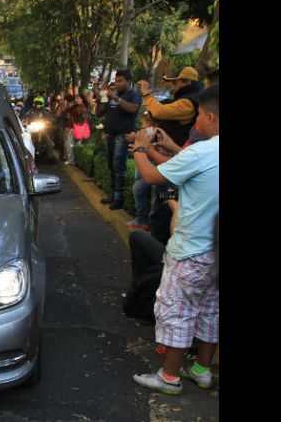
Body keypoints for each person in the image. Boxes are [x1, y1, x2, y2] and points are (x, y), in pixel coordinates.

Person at [131, 84, 219, 395]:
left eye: (199, 116)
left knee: (178, 311)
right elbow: (192, 165)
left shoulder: (202, 151)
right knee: (210, 309)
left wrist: (142, 148)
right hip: (216, 252)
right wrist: (168, 145)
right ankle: (202, 370)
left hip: (191, 250)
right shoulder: (205, 153)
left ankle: (169, 377)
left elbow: (154, 176)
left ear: (209, 115)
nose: (197, 122)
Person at [139, 68, 203, 245]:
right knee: (161, 204)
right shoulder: (186, 100)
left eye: (175, 82)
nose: (173, 87)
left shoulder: (189, 103)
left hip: (175, 164)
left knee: (163, 210)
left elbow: (159, 111)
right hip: (175, 158)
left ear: (187, 82)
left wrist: (142, 150)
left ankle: (159, 252)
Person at [92, 69, 142, 210]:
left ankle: (119, 199)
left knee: (118, 166)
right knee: (111, 166)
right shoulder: (112, 95)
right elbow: (99, 111)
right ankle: (113, 196)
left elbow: (132, 109)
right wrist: (100, 95)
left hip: (123, 135)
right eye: (116, 80)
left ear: (128, 82)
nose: (117, 83)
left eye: (120, 81)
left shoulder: (133, 96)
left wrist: (115, 97)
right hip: (110, 135)